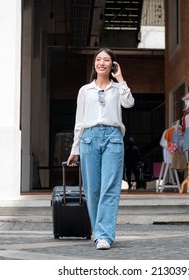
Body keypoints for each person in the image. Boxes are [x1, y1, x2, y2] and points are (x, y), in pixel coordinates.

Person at [66, 48, 135, 250]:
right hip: (89, 139)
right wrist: (74, 148)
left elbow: (129, 103)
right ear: (94, 64)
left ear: (113, 64)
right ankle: (98, 231)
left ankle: (104, 234)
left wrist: (121, 79)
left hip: (113, 138)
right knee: (92, 188)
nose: (101, 63)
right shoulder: (84, 90)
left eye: (106, 60)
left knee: (110, 188)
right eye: (98, 59)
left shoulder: (117, 89)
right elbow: (79, 121)